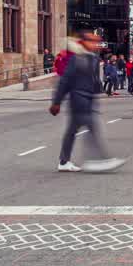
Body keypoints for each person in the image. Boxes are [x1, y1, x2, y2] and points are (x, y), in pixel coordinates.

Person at [50, 31, 125, 173]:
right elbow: (65, 80)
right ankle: (99, 160)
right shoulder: (76, 58)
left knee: (71, 131)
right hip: (78, 99)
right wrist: (56, 102)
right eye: (91, 40)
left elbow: (94, 80)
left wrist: (99, 92)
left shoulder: (93, 58)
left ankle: (64, 162)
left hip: (88, 99)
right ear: (83, 41)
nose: (95, 43)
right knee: (92, 127)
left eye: (96, 41)